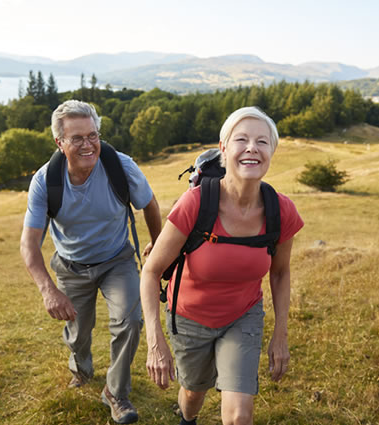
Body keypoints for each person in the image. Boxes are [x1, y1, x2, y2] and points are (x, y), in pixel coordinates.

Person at [140, 106, 304, 425]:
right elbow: (151, 271)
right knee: (192, 396)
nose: (252, 148)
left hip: (243, 315)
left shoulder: (280, 210)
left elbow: (281, 272)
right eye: (241, 139)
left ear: (272, 152)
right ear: (224, 149)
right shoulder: (196, 203)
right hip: (188, 316)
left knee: (240, 415)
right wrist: (154, 340)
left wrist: (281, 334)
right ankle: (188, 419)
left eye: (262, 141)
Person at [20, 100, 162, 424]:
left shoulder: (120, 166)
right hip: (71, 266)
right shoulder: (45, 181)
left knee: (130, 321)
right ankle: (81, 368)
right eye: (77, 138)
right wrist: (48, 290)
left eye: (93, 135)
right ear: (60, 142)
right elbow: (29, 244)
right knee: (78, 333)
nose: (88, 145)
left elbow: (150, 204)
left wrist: (157, 245)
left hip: (117, 260)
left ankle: (116, 393)